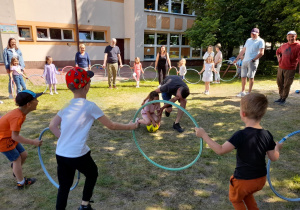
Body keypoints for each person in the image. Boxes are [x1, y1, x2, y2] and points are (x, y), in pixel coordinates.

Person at [49, 67, 138, 210]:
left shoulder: (66, 105)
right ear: (86, 86)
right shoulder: (90, 106)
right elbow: (111, 125)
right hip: (77, 154)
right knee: (92, 173)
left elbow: (52, 125)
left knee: (64, 187)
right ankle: (84, 205)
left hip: (61, 153)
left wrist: (64, 139)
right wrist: (131, 126)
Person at [195, 93, 282, 210]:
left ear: (243, 113)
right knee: (246, 194)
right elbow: (274, 157)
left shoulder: (240, 135)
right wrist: (277, 148)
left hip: (244, 180)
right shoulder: (267, 134)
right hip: (260, 180)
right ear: (262, 114)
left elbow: (220, 150)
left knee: (235, 198)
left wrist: (203, 135)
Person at [0, 90, 43, 189]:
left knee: (24, 154)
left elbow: (13, 135)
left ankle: (16, 170)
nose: (38, 101)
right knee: (16, 159)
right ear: (28, 104)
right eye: (36, 99)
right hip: (3, 140)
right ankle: (21, 182)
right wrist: (33, 142)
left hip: (9, 137)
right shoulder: (17, 117)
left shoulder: (20, 113)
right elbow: (15, 136)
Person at [234, 28, 265, 97]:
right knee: (243, 76)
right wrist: (237, 58)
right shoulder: (248, 40)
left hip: (252, 61)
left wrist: (254, 59)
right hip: (245, 60)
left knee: (251, 77)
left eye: (254, 34)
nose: (253, 35)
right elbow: (243, 50)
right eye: (252, 33)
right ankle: (243, 92)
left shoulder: (261, 41)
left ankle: (249, 93)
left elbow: (261, 53)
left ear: (258, 34)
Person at [275, 31, 300, 105]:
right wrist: (278, 58)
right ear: (287, 37)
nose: (291, 38)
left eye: (292, 36)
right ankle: (280, 97)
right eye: (289, 36)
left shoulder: (298, 46)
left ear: (295, 37)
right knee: (279, 83)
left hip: (290, 68)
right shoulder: (284, 45)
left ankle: (283, 98)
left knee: (287, 84)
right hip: (281, 67)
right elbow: (277, 52)